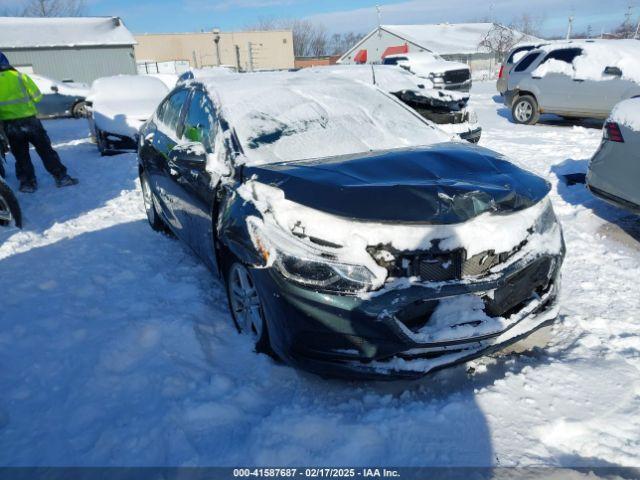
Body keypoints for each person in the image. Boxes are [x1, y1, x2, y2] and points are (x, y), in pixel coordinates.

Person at [0, 52, 78, 193]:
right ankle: (61, 177)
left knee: (21, 155)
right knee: (45, 150)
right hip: (30, 121)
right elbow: (37, 97)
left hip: (10, 125)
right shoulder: (20, 76)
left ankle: (27, 183)